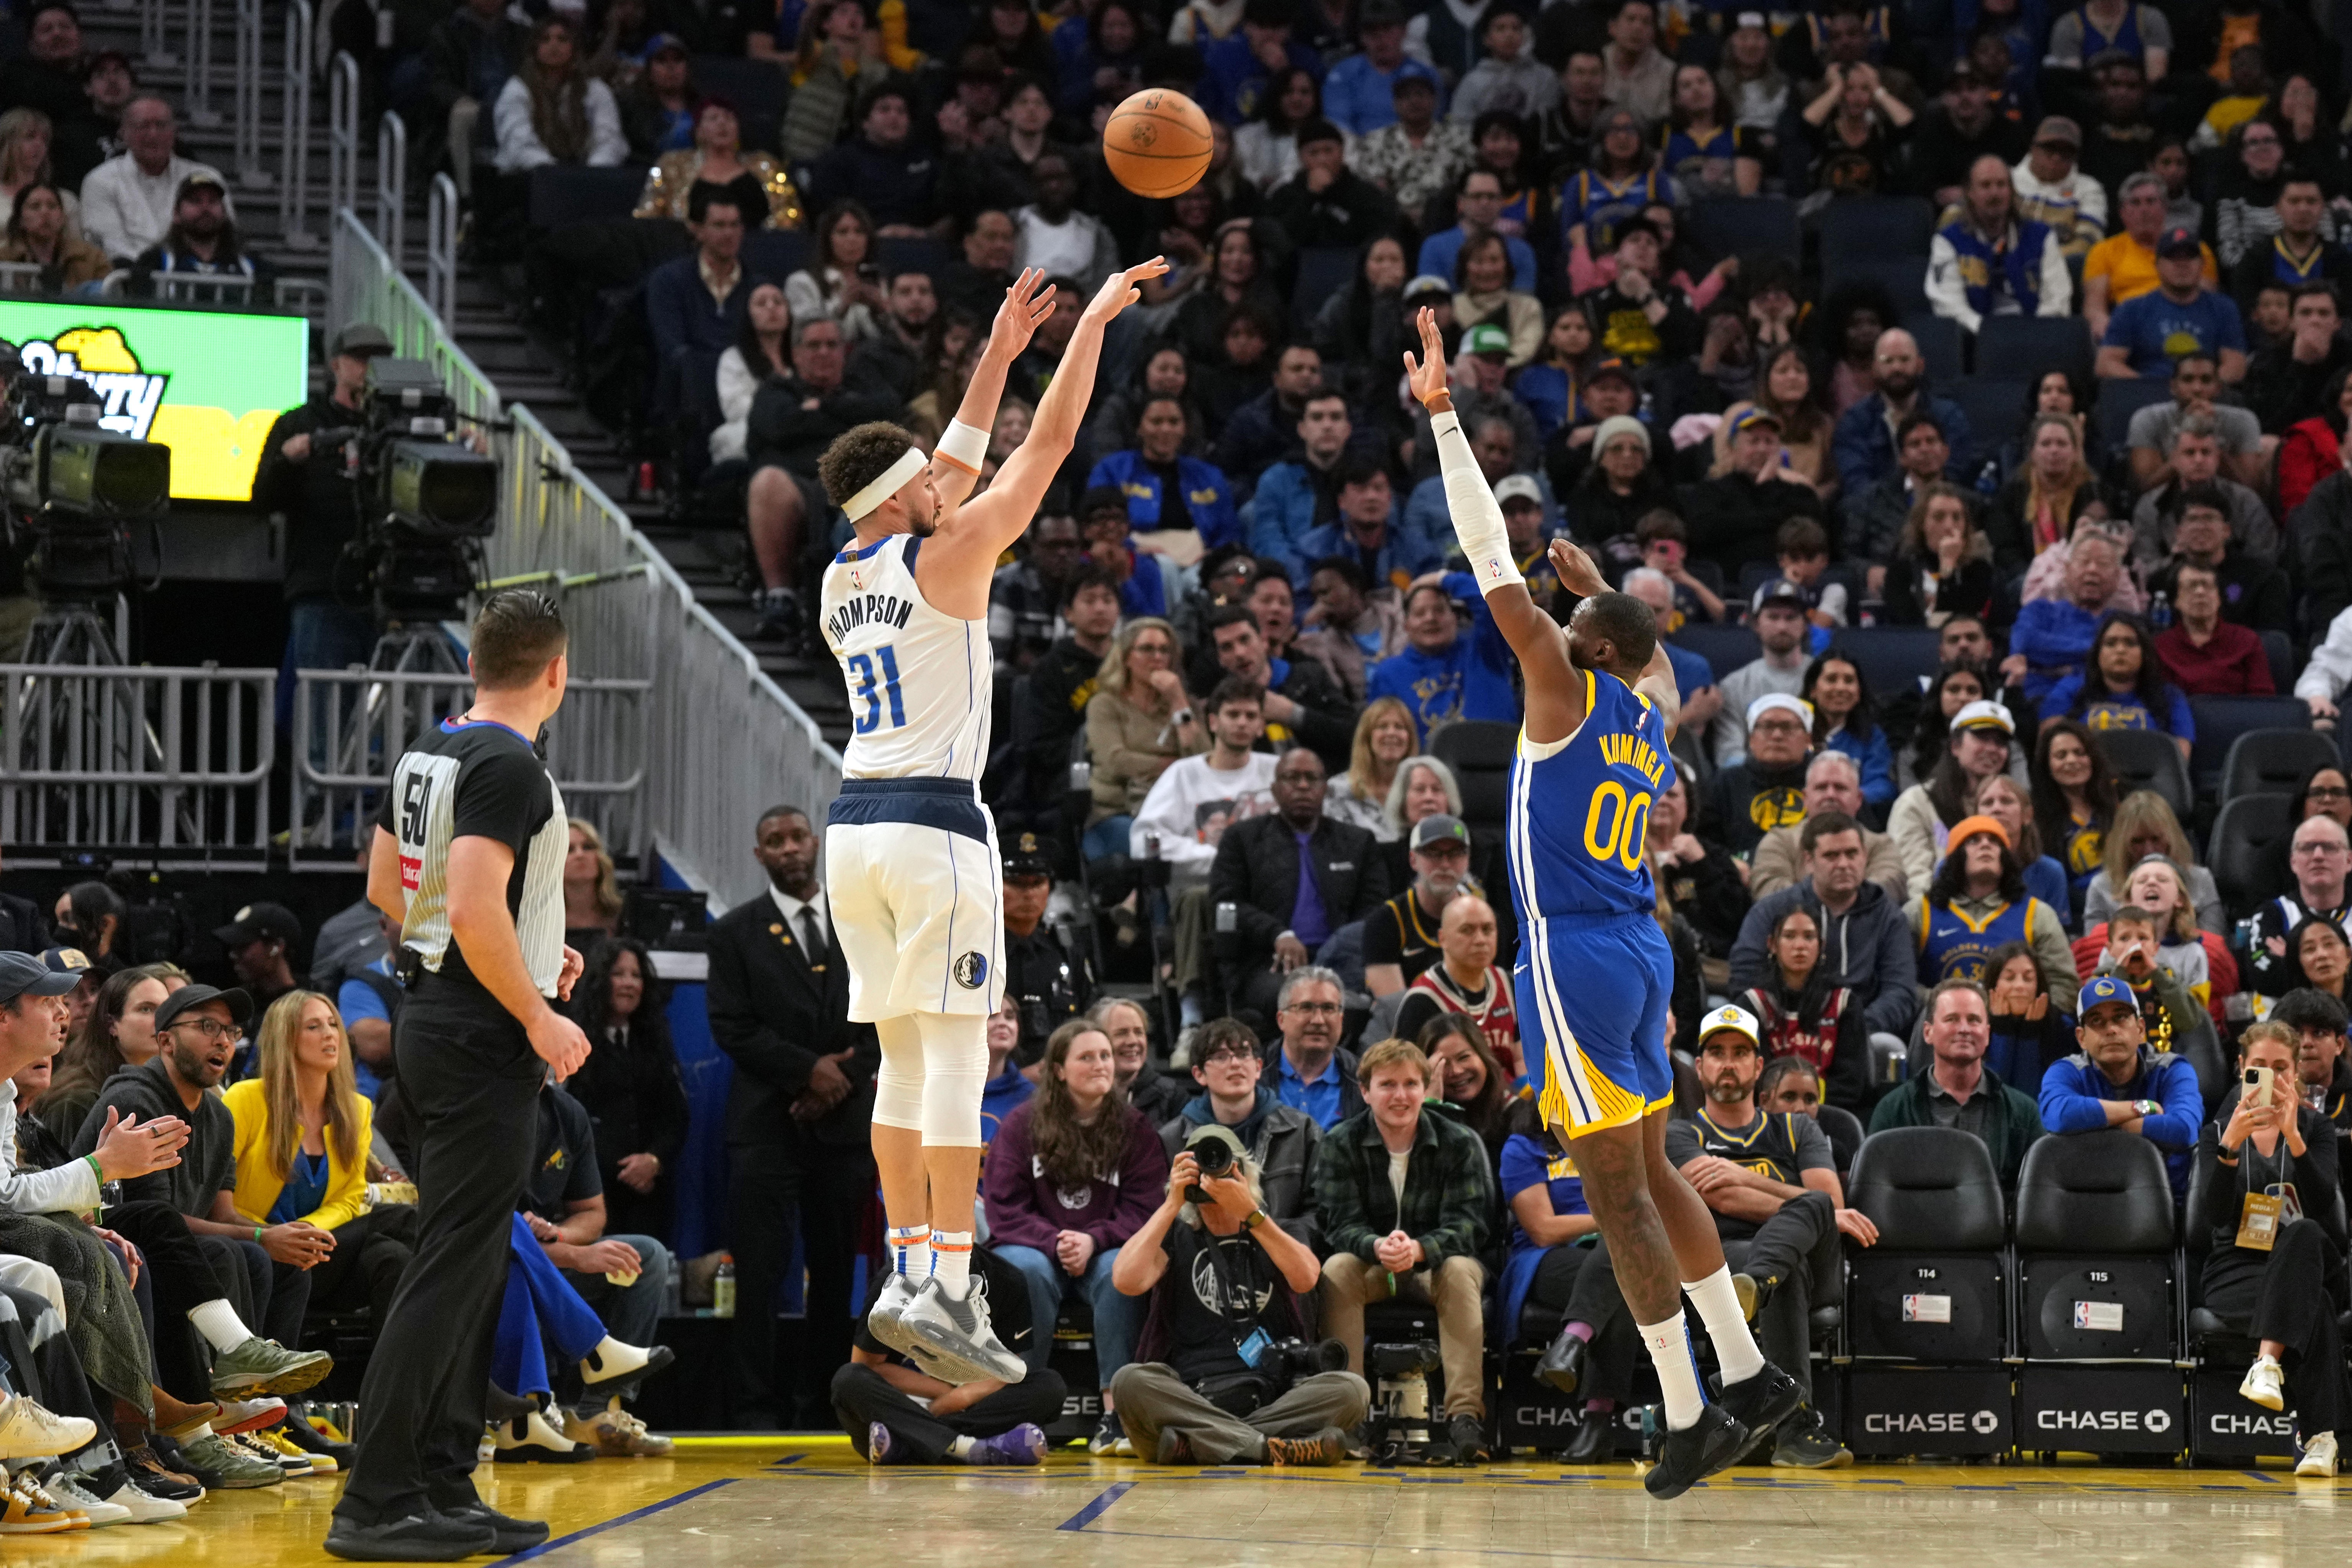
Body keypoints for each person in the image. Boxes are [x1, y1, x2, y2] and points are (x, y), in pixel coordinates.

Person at [1406, 307, 1798, 1492]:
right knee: (1662, 1171)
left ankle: (1685, 1408)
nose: (1550, 616)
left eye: (1565, 617)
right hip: (1640, 947)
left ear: (1582, 643)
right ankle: (1748, 1373)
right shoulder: (1644, 708)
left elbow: (1487, 553)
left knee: (1618, 1193)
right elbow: (1652, 647)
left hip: (1572, 956)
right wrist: (1597, 587)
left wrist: (1442, 417)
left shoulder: (1562, 679)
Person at [812, 259, 1163, 1391]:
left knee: (900, 1064)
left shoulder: (844, 571)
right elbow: (1042, 450)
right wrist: (1088, 329)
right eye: (928, 483)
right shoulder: (949, 554)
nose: (946, 484)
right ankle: (951, 1283)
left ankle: (907, 1273)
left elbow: (954, 461)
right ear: (904, 499)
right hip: (933, 831)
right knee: (959, 1063)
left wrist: (1000, 352)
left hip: (852, 833)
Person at [325, 591, 591, 1561]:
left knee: (473, 1267)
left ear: (475, 662)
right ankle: (375, 1498)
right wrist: (533, 1008)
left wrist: (528, 954)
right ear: (557, 672)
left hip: (438, 1013)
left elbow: (387, 887)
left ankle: (442, 1481)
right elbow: (475, 903)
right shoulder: (509, 763)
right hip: (481, 1034)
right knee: (447, 1269)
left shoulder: (427, 749)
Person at [704, 803, 877, 1427]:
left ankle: (827, 1402)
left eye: (797, 836)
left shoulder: (863, 922)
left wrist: (838, 1081)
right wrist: (808, 1071)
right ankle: (755, 1406)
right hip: (765, 1125)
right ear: (760, 855)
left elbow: (887, 1015)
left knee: (835, 1271)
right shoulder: (734, 932)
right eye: (774, 840)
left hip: (844, 1125)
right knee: (760, 1273)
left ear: (816, 842)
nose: (788, 848)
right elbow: (731, 1025)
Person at [1660, 1005, 1866, 1465]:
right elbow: (1717, 1197)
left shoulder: (1795, 1127)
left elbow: (1829, 1203)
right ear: (1700, 1066)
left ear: (1757, 1067)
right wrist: (1798, 1204)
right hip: (1723, 1262)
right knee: (1786, 1262)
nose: (1728, 1063)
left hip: (1811, 1264)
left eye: (1740, 1053)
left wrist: (1741, 1174)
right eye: (1717, 1052)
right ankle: (1796, 1429)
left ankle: (1755, 1283)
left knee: (1813, 1209)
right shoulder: (1681, 1132)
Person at [1107, 1124, 1363, 1467]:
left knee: (1352, 1389)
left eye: (1221, 1167)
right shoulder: (1176, 1236)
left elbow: (1306, 1279)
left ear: (1247, 1175)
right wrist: (1171, 1203)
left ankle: (1199, 1445)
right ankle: (1269, 1447)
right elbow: (1125, 1280)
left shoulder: (1279, 1230)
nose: (1210, 1176)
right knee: (1129, 1381)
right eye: (1198, 1169)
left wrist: (1251, 1213)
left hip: (1271, 1397)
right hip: (1191, 1395)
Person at [982, 1020, 1166, 1455]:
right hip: (1036, 1248)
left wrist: (1094, 1239)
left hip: (1103, 1249)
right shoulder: (1021, 1124)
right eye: (1086, 1057)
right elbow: (1004, 1207)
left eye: (1105, 1056)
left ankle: (1117, 1415)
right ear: (1059, 1070)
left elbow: (1145, 1209)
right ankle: (1019, 1406)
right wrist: (1055, 1241)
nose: (1100, 1064)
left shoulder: (1135, 1128)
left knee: (1120, 1271)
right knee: (1026, 1269)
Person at [1308, 1039, 1495, 1465]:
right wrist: (1376, 1246)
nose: (1400, 1095)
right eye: (1387, 1084)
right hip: (1373, 1265)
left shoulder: (1458, 1141)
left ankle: (1464, 1417)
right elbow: (1337, 1224)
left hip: (1434, 1268)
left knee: (1461, 1269)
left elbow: (1470, 1225)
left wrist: (1420, 1248)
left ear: (1425, 1089)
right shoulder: (1340, 1142)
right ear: (1365, 1091)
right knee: (1337, 1267)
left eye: (1411, 1084)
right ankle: (1350, 1414)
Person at [222, 991, 416, 1361]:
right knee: (402, 1222)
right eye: (314, 1026)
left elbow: (351, 1196)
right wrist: (278, 1236)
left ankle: (394, 1386)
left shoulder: (356, 1109)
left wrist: (308, 1232)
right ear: (285, 1039)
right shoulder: (245, 1099)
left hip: (322, 1255)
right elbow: (220, 1197)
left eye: (333, 1025)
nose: (330, 1034)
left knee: (392, 1258)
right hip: (263, 1249)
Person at [2201, 1021, 2348, 1476]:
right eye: (2259, 1066)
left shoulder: (2317, 1127)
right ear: (2241, 1067)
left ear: (2295, 1072)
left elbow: (2327, 1210)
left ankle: (2265, 1362)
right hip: (2238, 1270)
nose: (2271, 1075)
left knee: (2303, 1232)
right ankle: (2322, 1439)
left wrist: (2295, 1139)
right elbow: (2213, 1215)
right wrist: (2229, 1148)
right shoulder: (2218, 1130)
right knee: (2315, 1304)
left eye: (2281, 1067)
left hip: (2313, 1259)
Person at [255, 322, 394, 740]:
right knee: (323, 729)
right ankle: (320, 785)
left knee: (386, 728)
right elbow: (261, 498)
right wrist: (288, 460)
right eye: (359, 359)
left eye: (378, 360)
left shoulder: (396, 430)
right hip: (321, 589)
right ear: (336, 364)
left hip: (389, 594)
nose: (368, 368)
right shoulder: (301, 423)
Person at [831, 1245, 1061, 1467]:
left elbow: (1007, 1371)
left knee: (1049, 1386)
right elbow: (867, 1367)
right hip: (904, 1404)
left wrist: (962, 1397)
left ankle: (908, 1447)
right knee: (848, 1380)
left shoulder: (1006, 1278)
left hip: (957, 1411)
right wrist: (944, 1394)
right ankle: (975, 1448)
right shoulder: (895, 1277)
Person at [1207, 746, 1388, 1020]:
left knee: (1373, 1003)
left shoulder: (1358, 842)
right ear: (1275, 789)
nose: (1303, 786)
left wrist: (1341, 948)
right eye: (1292, 778)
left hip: (1343, 961)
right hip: (1268, 964)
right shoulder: (1242, 838)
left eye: (1312, 778)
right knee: (1301, 1000)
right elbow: (1227, 903)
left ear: (1325, 788)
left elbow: (1375, 910)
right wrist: (1278, 934)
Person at [1730, 811, 1919, 1042]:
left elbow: (1900, 991)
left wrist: (1855, 1028)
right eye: (1831, 856)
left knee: (1887, 1044)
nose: (1844, 864)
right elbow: (1745, 978)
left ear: (1865, 856)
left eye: (1852, 854)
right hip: (1781, 1032)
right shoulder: (1772, 911)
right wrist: (1787, 1027)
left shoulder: (1889, 917)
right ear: (1809, 861)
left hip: (1864, 1034)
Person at [562, 940, 687, 1243]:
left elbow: (676, 1114)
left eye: (637, 975)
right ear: (600, 981)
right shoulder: (573, 1039)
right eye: (619, 974)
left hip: (648, 1195)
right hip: (588, 1196)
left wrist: (654, 1161)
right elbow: (565, 1117)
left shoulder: (655, 1040)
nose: (629, 983)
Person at [1867, 977, 2046, 1187]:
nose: (1964, 1029)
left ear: (1987, 1034)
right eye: (1952, 1019)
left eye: (1974, 1020)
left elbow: (2038, 1193)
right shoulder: (1893, 1111)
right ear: (1928, 1032)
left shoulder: (2024, 1114)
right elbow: (1874, 1189)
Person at [2040, 974, 2203, 1201]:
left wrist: (2095, 1126)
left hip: (2166, 1202)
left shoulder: (2171, 1069)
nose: (2111, 1029)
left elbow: (2185, 1129)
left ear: (2140, 1029)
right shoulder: (2067, 1071)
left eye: (2121, 1017)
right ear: (2081, 1038)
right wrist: (2141, 1108)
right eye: (2097, 1021)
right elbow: (2058, 1115)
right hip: (2086, 1201)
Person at [1126, 677, 1278, 893]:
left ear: (1261, 726)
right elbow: (1144, 841)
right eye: (1233, 714)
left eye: (1251, 716)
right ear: (1213, 722)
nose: (1242, 723)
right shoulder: (1183, 774)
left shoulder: (1278, 772)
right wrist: (1222, 860)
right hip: (1202, 891)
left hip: (1268, 889)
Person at [1735, 905, 1872, 1111]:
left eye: (1809, 937)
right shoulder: (1753, 1004)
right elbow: (1752, 1079)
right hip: (1767, 1116)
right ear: (1773, 945)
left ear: (1821, 946)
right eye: (1789, 936)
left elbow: (1851, 1082)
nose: (1800, 946)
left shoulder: (1844, 1003)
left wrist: (1810, 1106)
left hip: (1830, 1114)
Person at [1927, 154, 2075, 335]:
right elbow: (1948, 306)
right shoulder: (1948, 241)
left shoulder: (2042, 237)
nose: (1995, 193)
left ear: (2011, 191)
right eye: (1986, 185)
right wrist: (1990, 334)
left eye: (2001, 185)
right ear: (1970, 193)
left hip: (2037, 339)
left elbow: (2058, 300)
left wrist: (2032, 334)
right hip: (1975, 340)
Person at [1365, 574, 1519, 745]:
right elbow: (1381, 737)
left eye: (1439, 610)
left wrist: (1442, 578)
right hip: (1426, 762)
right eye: (1420, 613)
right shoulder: (1389, 674)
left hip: (1498, 758)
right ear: (1406, 626)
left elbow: (1496, 599)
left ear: (1455, 617)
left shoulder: (1485, 651)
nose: (1430, 618)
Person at [1831, 328, 1975, 502]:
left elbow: (1956, 474)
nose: (1897, 368)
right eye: (1888, 361)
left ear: (1920, 365)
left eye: (1905, 360)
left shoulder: (1949, 416)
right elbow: (1857, 483)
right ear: (1874, 369)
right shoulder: (1855, 422)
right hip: (1878, 511)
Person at [76, 95, 225, 262]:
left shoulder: (208, 177)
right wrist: (160, 268)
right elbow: (112, 248)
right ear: (124, 133)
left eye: (161, 125)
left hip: (196, 272)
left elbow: (226, 238)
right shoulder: (100, 181)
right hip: (129, 275)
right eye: (143, 126)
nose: (153, 134)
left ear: (175, 132)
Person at [1750, 752, 1909, 904]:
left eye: (1840, 788)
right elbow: (1770, 892)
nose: (1831, 795)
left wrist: (1828, 899)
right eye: (1821, 788)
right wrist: (1836, 900)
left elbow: (1887, 887)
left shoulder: (1882, 846)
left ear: (1859, 799)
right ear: (1805, 798)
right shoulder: (1778, 842)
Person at [2097, 225, 2250, 381]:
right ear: (2157, 265)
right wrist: (2148, 387)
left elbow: (2236, 366)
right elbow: (2106, 363)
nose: (2182, 264)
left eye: (2190, 257)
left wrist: (2200, 387)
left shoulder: (2224, 308)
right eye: (2173, 257)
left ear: (2203, 264)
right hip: (2148, 391)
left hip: (2206, 392)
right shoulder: (2131, 310)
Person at [2084, 172, 2219, 340]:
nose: (2144, 210)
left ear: (2165, 208)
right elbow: (2094, 306)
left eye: (2151, 201)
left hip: (2184, 328)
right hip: (2129, 332)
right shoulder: (2103, 251)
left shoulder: (2195, 249)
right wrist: (2108, 329)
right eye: (2135, 203)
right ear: (2122, 212)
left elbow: (2208, 301)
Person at [1393, 895, 1518, 1074]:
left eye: (1487, 929)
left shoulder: (1509, 984)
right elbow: (1408, 1075)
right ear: (1442, 938)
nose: (1480, 940)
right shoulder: (1422, 1001)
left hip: (1510, 1091)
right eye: (1467, 931)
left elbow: (1523, 1060)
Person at [2239, 813, 2352, 1002]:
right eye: (2307, 848)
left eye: (2329, 847)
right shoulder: (2271, 914)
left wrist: (2292, 959)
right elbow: (2263, 978)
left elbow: (2280, 976)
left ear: (2349, 860)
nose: (2318, 856)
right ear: (2293, 862)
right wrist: (2337, 969)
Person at [491, 17, 626, 173]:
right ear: (535, 48)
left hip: (587, 174)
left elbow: (609, 140)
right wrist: (555, 175)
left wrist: (591, 174)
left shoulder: (594, 89)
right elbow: (518, 143)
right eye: (545, 40)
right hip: (530, 176)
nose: (554, 46)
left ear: (574, 47)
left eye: (562, 39)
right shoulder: (518, 88)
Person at [1363, 813, 1474, 999]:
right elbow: (1393, 1006)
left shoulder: (1483, 920)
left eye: (1456, 853)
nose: (1445, 864)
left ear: (1468, 860)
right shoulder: (1385, 922)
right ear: (1413, 860)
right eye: (1433, 853)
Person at [2155, 558, 2274, 695]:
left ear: (2219, 598)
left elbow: (2263, 700)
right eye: (2191, 586)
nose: (2200, 592)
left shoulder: (2246, 641)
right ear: (2176, 600)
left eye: (2207, 586)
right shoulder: (2160, 646)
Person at [559, 820, 622, 952]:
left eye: (588, 847)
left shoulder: (622, 914)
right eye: (569, 850)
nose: (580, 855)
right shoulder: (542, 917)